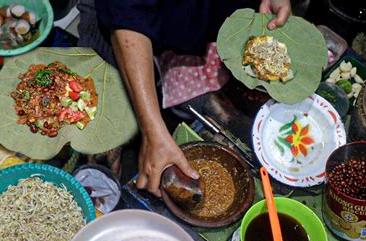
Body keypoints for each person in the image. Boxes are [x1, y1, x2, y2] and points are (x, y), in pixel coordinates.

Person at [78, 0, 292, 197]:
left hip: (200, 20)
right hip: (123, 23)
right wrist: (151, 130)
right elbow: (127, 14)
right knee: (102, 132)